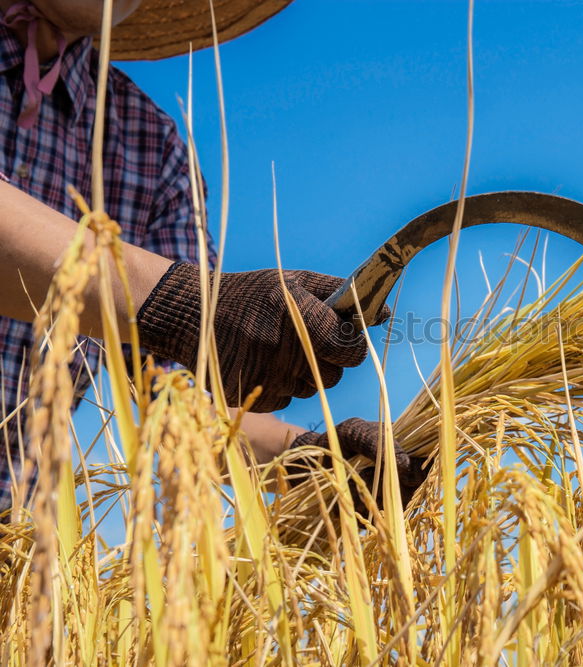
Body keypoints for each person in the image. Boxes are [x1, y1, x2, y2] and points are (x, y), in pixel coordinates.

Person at [0, 0, 426, 514]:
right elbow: (179, 310)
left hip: (19, 544)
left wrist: (301, 458)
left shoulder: (149, 148)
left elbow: (174, 396)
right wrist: (180, 302)